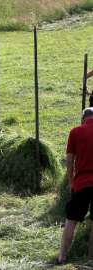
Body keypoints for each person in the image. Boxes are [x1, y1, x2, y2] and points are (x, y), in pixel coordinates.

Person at [57, 107, 93, 264]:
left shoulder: (75, 132)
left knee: (71, 220)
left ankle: (62, 257)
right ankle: (90, 258)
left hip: (82, 183)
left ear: (83, 118)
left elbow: (70, 160)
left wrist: (71, 182)